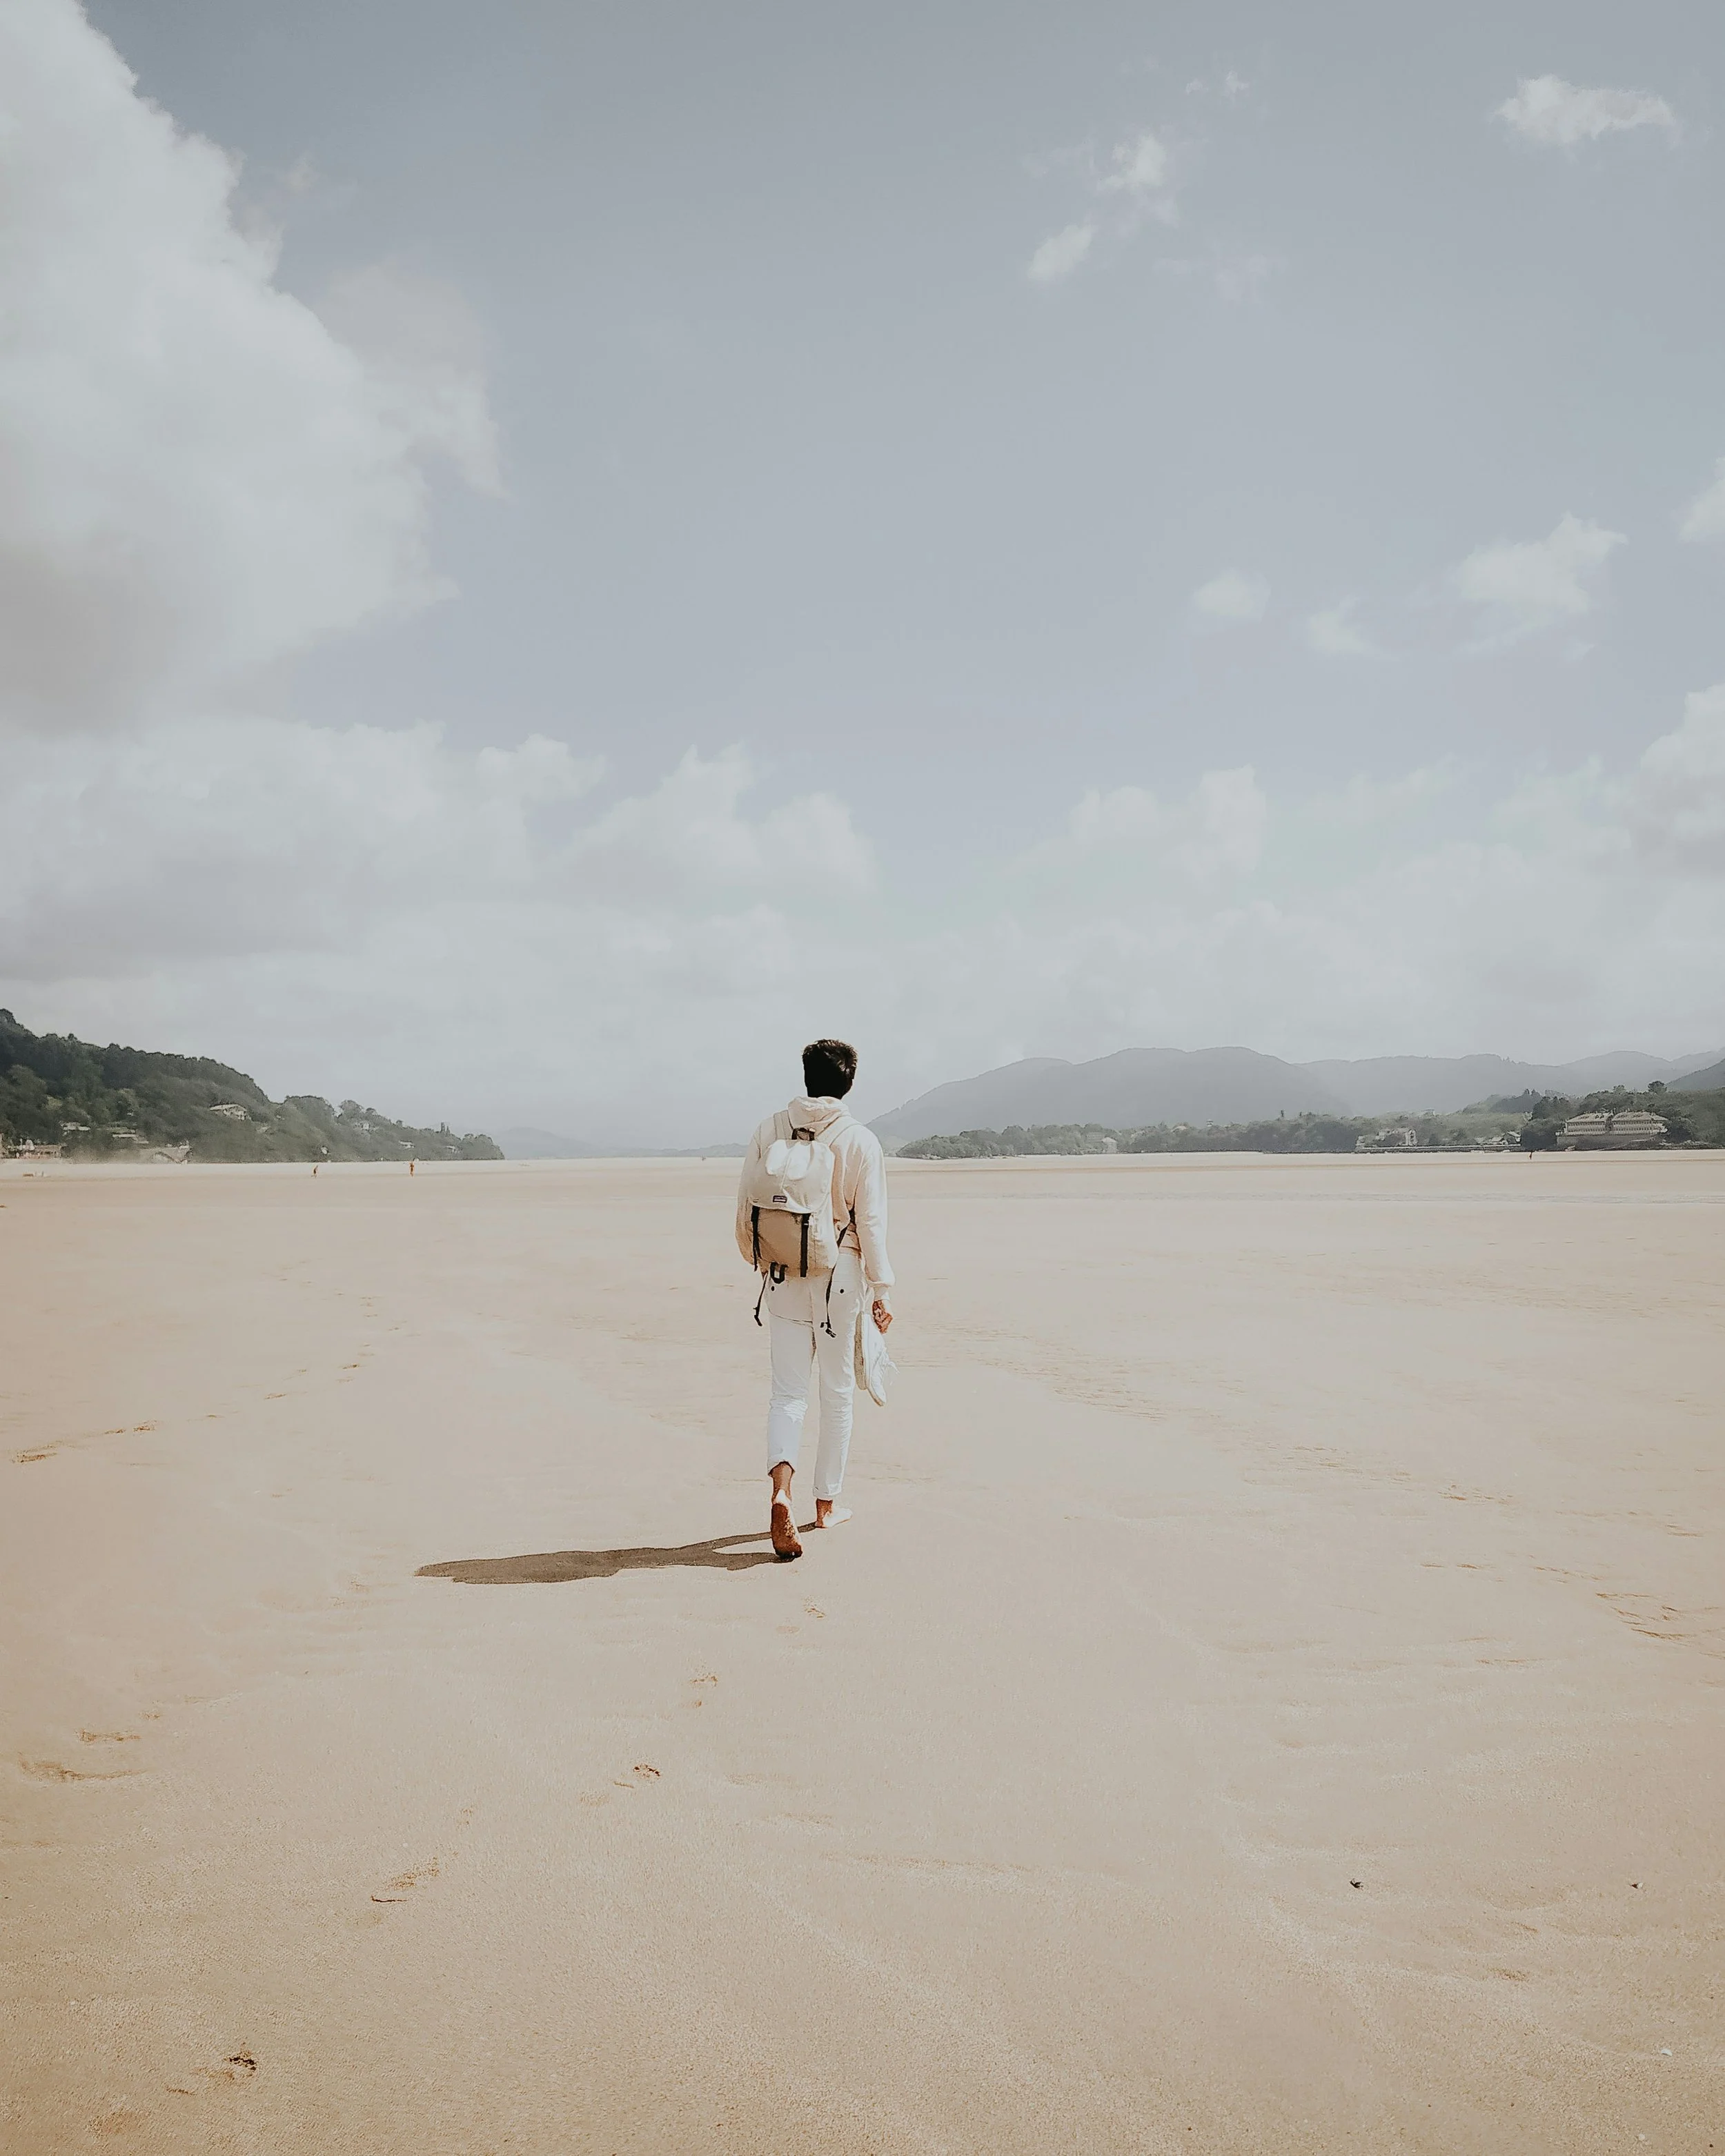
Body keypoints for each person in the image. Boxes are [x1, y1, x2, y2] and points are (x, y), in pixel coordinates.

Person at [736, 1039, 894, 1561]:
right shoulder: (860, 1141)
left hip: (782, 1271)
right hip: (839, 1278)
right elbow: (870, 1223)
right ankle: (825, 1503)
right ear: (848, 1083)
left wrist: (761, 1260)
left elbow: (746, 1206)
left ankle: (780, 1489)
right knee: (837, 1391)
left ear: (806, 1078)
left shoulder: (769, 1128)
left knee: (787, 1393)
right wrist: (883, 1287)